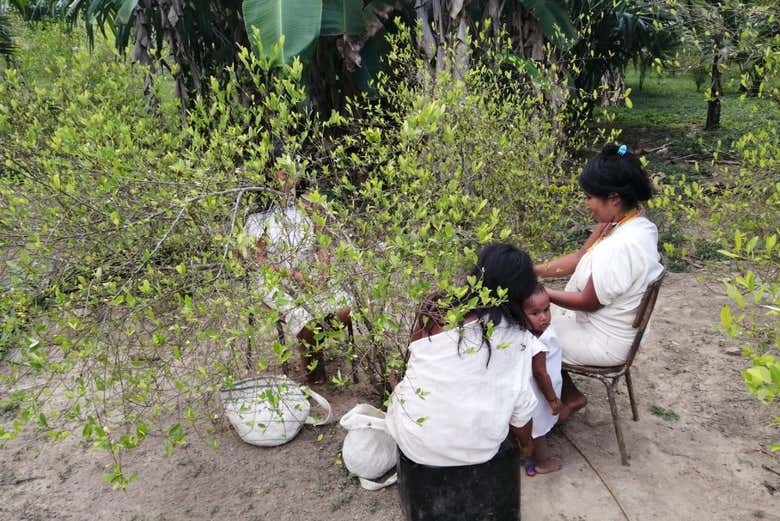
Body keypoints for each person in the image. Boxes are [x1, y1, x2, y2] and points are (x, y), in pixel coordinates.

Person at [385, 243, 542, 521]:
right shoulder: (518, 338)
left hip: (416, 440)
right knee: (506, 428)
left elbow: (414, 364)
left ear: (477, 275)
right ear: (521, 291)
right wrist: (527, 446)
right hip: (479, 451)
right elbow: (521, 410)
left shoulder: (435, 306)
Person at [534, 144, 663, 415]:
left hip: (604, 341)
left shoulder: (619, 245)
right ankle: (567, 392)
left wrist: (539, 292)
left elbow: (588, 302)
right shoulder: (631, 223)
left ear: (613, 198)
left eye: (590, 197)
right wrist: (534, 270)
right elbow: (580, 257)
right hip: (620, 329)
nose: (587, 204)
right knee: (538, 316)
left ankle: (560, 401)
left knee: (527, 327)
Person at [245, 153, 351, 384]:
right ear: (271, 173)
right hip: (273, 278)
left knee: (345, 309)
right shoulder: (260, 215)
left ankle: (313, 345)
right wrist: (292, 275)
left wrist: (323, 271)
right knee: (305, 321)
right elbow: (258, 258)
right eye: (284, 171)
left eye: (294, 170)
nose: (290, 176)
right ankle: (313, 374)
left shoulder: (309, 205)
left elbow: (323, 243)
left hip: (308, 273)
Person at [522, 283, 563, 476]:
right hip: (541, 396)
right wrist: (553, 400)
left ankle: (527, 461)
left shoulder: (532, 333)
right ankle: (542, 462)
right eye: (535, 313)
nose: (544, 317)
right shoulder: (537, 342)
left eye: (547, 309)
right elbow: (541, 374)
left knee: (528, 429)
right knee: (539, 431)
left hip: (530, 395)